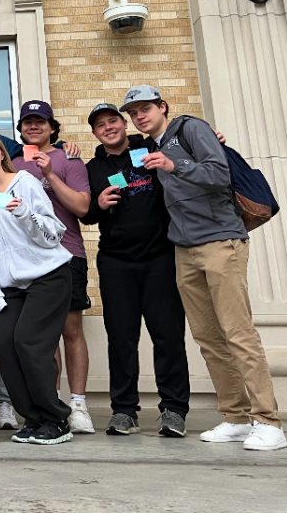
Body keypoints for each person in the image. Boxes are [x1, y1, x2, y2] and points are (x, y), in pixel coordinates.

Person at [121, 85, 286, 451]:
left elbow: (218, 174)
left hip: (221, 242)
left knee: (238, 333)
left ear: (163, 107)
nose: (140, 116)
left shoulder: (190, 129)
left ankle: (268, 421)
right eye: (134, 113)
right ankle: (236, 416)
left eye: (145, 108)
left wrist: (174, 164)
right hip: (185, 249)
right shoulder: (151, 147)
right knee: (209, 337)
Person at [82, 102, 189, 438]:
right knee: (121, 339)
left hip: (160, 258)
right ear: (95, 133)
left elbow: (186, 157)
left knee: (167, 335)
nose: (108, 127)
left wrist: (213, 139)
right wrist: (98, 205)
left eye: (113, 120)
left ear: (123, 123)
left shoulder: (150, 148)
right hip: (116, 262)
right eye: (100, 125)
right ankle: (124, 411)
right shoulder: (92, 168)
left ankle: (173, 409)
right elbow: (86, 214)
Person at [0, 131, 74, 446]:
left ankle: (56, 419)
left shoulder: (24, 182)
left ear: (1, 153)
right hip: (11, 286)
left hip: (49, 275)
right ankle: (34, 418)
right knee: (7, 347)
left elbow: (54, 232)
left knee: (29, 342)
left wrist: (25, 214)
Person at [13, 99, 94, 434]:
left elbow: (82, 207)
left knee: (71, 331)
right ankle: (53, 402)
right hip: (30, 261)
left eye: (40, 122)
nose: (34, 127)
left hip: (67, 254)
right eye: (28, 122)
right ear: (20, 129)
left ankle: (78, 404)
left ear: (52, 127)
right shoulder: (14, 163)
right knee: (42, 338)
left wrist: (49, 173)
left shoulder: (67, 159)